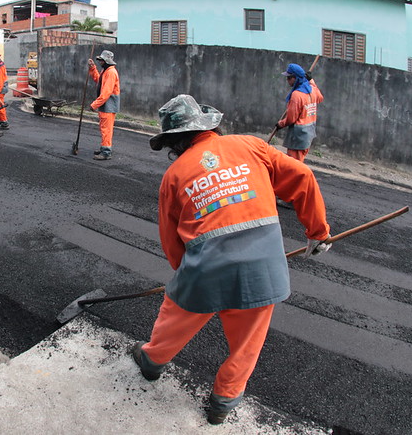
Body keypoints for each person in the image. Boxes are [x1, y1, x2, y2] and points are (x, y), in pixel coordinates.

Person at [132, 94, 332, 424]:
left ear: (173, 140)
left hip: (205, 269)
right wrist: (318, 232)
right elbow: (303, 179)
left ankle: (152, 362)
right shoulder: (251, 146)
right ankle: (223, 402)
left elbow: (172, 244)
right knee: (247, 343)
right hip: (263, 267)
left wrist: (185, 279)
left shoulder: (175, 174)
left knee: (174, 316)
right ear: (209, 125)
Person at [276, 63, 324, 162]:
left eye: (289, 78)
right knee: (298, 164)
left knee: (294, 166)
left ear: (295, 78)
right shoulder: (312, 90)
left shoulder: (296, 95)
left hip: (298, 136)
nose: (287, 80)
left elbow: (291, 119)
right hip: (308, 134)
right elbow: (320, 97)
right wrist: (311, 80)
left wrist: (280, 124)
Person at [87, 50, 121, 160]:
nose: (100, 62)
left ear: (106, 61)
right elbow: (98, 79)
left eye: (101, 60)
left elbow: (106, 92)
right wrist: (92, 68)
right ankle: (104, 148)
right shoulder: (105, 71)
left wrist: (94, 104)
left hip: (109, 105)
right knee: (104, 128)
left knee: (106, 129)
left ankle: (106, 152)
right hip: (106, 105)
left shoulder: (111, 72)